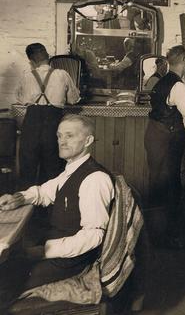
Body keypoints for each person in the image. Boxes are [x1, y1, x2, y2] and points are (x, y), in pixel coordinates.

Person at [0, 114, 114, 311]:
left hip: (71, 261)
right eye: (59, 136)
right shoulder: (71, 170)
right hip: (56, 251)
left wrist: (45, 251)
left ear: (88, 140)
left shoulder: (94, 179)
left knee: (4, 280)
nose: (62, 141)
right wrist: (18, 197)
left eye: (69, 136)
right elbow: (44, 192)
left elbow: (94, 235)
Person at [144, 45, 185, 248]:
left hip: (154, 133)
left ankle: (154, 233)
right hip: (167, 138)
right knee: (169, 186)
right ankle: (166, 238)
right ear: (184, 61)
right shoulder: (178, 86)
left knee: (157, 183)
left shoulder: (162, 81)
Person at [16, 43, 80, 190]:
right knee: (53, 168)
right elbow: (74, 99)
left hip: (32, 123)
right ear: (48, 57)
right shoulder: (62, 74)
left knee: (28, 168)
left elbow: (21, 100)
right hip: (54, 123)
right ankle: (51, 209)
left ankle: (27, 208)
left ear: (31, 61)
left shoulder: (26, 76)